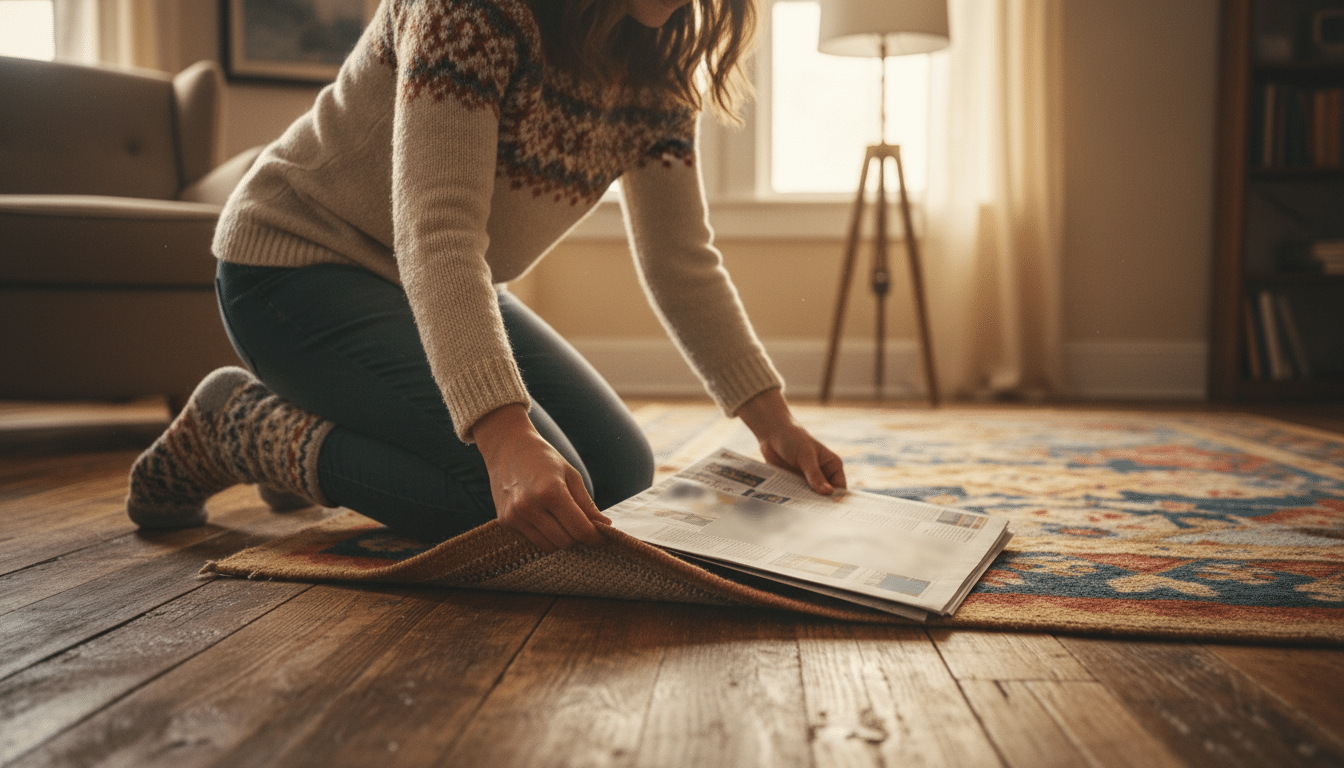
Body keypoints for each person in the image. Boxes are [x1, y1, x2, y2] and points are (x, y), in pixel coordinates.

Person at [126, 0, 846, 552]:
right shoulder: (473, 11)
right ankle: (240, 427)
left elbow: (680, 258)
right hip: (292, 269)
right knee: (503, 503)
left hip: (425, 286)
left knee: (618, 480)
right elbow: (437, 231)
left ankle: (333, 423)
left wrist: (772, 421)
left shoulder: (653, 64)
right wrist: (502, 436)